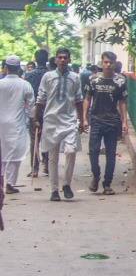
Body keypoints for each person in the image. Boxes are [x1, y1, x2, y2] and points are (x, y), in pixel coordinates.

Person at [36, 48, 85, 202]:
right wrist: (36, 119)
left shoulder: (75, 78)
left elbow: (79, 100)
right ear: (56, 60)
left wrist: (82, 119)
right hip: (51, 120)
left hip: (70, 120)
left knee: (71, 151)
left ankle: (67, 184)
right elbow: (41, 99)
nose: (62, 60)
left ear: (69, 59)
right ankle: (54, 190)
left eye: (65, 57)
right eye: (60, 57)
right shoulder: (48, 77)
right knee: (53, 157)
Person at [84, 51, 128, 195]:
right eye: (106, 62)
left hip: (112, 121)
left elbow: (122, 102)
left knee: (110, 153)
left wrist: (124, 122)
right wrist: (84, 118)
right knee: (93, 151)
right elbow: (87, 99)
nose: (108, 65)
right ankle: (95, 176)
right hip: (96, 120)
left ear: (114, 63)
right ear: (102, 63)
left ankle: (107, 183)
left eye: (111, 62)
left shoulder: (120, 81)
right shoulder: (93, 79)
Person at [0, 55, 35, 194]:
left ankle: (2, 181)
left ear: (6, 68)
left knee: (2, 152)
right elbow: (31, 105)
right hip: (17, 123)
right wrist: (33, 120)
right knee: (15, 153)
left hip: (1, 124)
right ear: (19, 68)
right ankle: (9, 183)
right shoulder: (25, 84)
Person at [25, 48, 50, 177]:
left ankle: (35, 168)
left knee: (34, 139)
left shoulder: (29, 75)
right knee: (48, 138)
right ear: (47, 59)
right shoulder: (51, 74)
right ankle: (47, 165)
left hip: (34, 109)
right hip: (49, 109)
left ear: (35, 59)